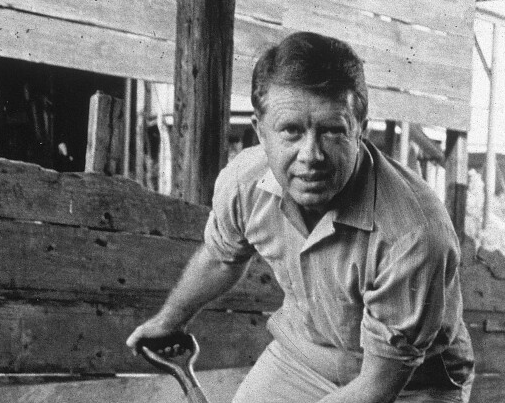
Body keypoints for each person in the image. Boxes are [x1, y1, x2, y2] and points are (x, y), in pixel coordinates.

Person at [126, 32, 474, 402]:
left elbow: (376, 387)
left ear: (360, 130)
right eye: (291, 130)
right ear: (261, 132)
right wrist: (168, 322)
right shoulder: (245, 183)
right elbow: (220, 258)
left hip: (412, 382)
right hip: (303, 357)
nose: (311, 155)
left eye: (332, 131)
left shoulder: (414, 234)